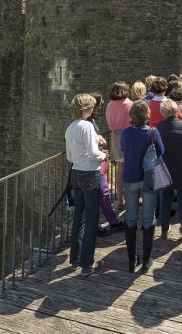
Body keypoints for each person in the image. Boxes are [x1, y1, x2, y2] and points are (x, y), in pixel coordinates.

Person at [65, 93, 107, 276]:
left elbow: (69, 156)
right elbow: (92, 153)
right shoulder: (87, 126)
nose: (93, 109)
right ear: (87, 109)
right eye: (91, 106)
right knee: (91, 219)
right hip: (90, 173)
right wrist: (104, 155)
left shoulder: (70, 127)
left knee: (78, 218)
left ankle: (74, 257)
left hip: (76, 173)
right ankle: (87, 264)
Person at [120, 101, 165, 273]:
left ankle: (132, 260)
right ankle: (146, 260)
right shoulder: (153, 132)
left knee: (130, 218)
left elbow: (123, 148)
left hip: (130, 177)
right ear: (147, 115)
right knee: (148, 218)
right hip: (148, 178)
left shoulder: (125, 133)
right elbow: (161, 151)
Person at [156, 99, 182, 241]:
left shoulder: (158, 127)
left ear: (163, 112)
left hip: (164, 169)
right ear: (175, 111)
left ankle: (164, 231)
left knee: (165, 200)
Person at [88, 93, 122, 236]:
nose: (101, 107)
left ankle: (102, 224)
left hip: (93, 163)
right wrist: (102, 153)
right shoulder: (88, 123)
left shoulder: (88, 121)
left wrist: (98, 138)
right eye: (99, 105)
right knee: (103, 192)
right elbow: (89, 146)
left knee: (100, 193)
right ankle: (112, 222)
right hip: (94, 163)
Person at [105, 81, 133, 209]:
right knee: (132, 168)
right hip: (130, 136)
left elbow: (109, 123)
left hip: (115, 137)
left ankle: (120, 199)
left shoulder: (110, 105)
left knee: (120, 169)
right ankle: (130, 198)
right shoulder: (130, 104)